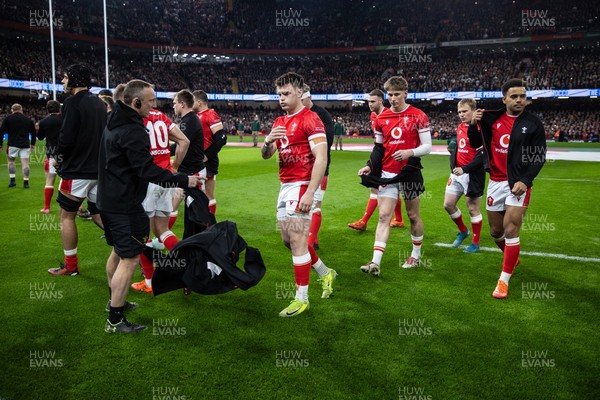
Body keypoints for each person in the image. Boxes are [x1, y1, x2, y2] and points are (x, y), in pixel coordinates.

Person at [98, 79, 200, 333]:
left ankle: (114, 302)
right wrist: (182, 178)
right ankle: (115, 319)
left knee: (118, 252)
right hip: (125, 202)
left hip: (109, 199)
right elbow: (146, 170)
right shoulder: (132, 130)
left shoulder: (114, 120)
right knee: (130, 257)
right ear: (136, 102)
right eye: (151, 100)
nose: (155, 104)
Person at [262, 72, 336, 317]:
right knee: (288, 241)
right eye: (279, 94)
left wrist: (310, 193)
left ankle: (301, 298)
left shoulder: (310, 119)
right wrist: (267, 142)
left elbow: (321, 158)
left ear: (299, 93)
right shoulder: (279, 122)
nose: (282, 98)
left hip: (303, 184)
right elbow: (266, 154)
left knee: (296, 240)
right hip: (285, 185)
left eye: (286, 94)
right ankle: (326, 273)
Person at [468, 78, 546, 299]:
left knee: (511, 229)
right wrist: (473, 123)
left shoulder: (533, 123)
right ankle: (513, 257)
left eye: (522, 96)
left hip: (517, 183)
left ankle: (503, 281)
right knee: (496, 231)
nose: (519, 99)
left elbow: (539, 156)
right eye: (514, 96)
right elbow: (474, 143)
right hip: (495, 181)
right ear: (504, 99)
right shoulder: (491, 119)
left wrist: (526, 180)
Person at [358, 77, 432, 275]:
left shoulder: (418, 115)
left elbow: (428, 146)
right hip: (387, 173)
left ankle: (415, 256)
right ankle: (375, 262)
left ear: (406, 93)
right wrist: (369, 166)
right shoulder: (381, 119)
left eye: (397, 94)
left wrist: (410, 152)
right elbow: (379, 148)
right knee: (383, 216)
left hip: (410, 173)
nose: (393, 98)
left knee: (412, 216)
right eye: (390, 95)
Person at [48, 64, 106, 276]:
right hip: (97, 170)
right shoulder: (99, 103)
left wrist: (58, 158)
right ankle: (131, 249)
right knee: (98, 214)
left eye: (64, 77)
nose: (63, 81)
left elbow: (67, 137)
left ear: (74, 79)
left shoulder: (72, 102)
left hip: (77, 170)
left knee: (66, 216)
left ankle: (71, 266)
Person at [130, 104, 190, 294]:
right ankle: (187, 267)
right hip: (166, 179)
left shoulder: (139, 117)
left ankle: (149, 281)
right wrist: (175, 167)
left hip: (148, 180)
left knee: (143, 236)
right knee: (163, 230)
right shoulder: (162, 117)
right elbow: (184, 141)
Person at [348, 89, 405, 232]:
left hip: (390, 157)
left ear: (381, 101)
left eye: (373, 101)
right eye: (368, 101)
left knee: (378, 188)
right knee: (389, 187)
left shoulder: (389, 115)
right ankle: (398, 219)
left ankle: (364, 221)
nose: (370, 104)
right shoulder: (373, 115)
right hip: (380, 155)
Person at [443, 99, 485, 253]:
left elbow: (482, 156)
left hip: (472, 174)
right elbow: (461, 148)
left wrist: (465, 169)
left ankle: (475, 242)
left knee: (473, 208)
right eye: (459, 112)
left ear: (474, 110)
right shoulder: (460, 127)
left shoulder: (481, 129)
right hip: (457, 173)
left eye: (465, 111)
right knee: (448, 204)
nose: (461, 114)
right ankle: (463, 230)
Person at [300, 84, 334, 251]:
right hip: (300, 168)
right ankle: (312, 238)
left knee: (316, 204)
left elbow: (326, 143)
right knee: (302, 206)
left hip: (319, 166)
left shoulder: (322, 114)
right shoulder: (296, 114)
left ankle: (310, 241)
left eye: (301, 99)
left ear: (308, 96)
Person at [171, 89, 206, 239]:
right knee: (191, 214)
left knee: (193, 216)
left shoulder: (188, 122)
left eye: (175, 103)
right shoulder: (190, 120)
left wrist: (174, 165)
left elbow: (182, 144)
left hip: (193, 172)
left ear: (182, 104)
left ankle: (162, 237)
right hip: (191, 171)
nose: (173, 106)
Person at [193, 90, 227, 215]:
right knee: (199, 193)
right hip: (198, 159)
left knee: (208, 193)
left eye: (192, 101)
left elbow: (222, 138)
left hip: (208, 160)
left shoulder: (210, 114)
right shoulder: (197, 116)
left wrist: (207, 155)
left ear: (199, 102)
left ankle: (210, 225)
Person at [0, 104, 36, 188]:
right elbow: (34, 133)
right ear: (21, 110)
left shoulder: (8, 119)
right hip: (25, 145)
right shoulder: (28, 120)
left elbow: (1, 132)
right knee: (25, 164)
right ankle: (26, 182)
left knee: (11, 162)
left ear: (12, 110)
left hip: (12, 144)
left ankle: (12, 181)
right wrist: (32, 144)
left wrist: (0, 144)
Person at [36, 100, 62, 213]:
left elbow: (40, 137)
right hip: (68, 153)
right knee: (70, 179)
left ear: (48, 109)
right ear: (59, 109)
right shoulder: (66, 119)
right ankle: (78, 206)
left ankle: (47, 207)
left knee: (50, 180)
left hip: (52, 154)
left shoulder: (44, 122)